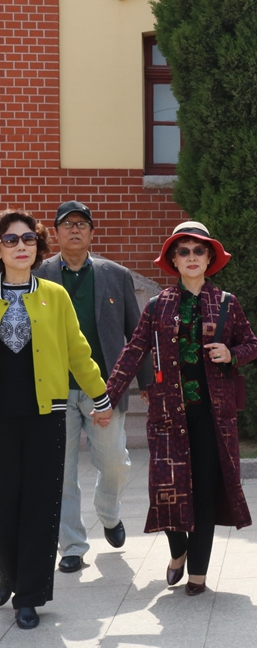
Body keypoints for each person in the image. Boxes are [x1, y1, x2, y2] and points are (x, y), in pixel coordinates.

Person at [105, 221, 257, 596]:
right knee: (166, 490)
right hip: (168, 416)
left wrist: (231, 353)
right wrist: (107, 397)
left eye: (198, 250)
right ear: (174, 260)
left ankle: (198, 573)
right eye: (184, 251)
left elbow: (252, 345)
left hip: (213, 417)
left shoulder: (227, 303)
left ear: (209, 258)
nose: (192, 257)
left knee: (204, 492)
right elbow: (133, 352)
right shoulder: (158, 305)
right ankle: (178, 551)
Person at [0, 209, 112, 630]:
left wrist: (101, 397)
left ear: (38, 246)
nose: (21, 246)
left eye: (28, 239)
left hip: (46, 417)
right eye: (11, 240)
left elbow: (78, 351)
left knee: (39, 505)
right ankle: (6, 574)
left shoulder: (55, 294)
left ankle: (28, 595)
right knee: (4, 500)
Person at [35, 200, 153, 574]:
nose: (75, 229)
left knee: (115, 463)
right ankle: (72, 545)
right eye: (67, 224)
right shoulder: (39, 275)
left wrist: (147, 381)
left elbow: (137, 333)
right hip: (55, 390)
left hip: (105, 389)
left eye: (81, 224)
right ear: (56, 233)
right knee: (61, 470)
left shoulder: (115, 275)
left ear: (91, 233)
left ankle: (108, 512)